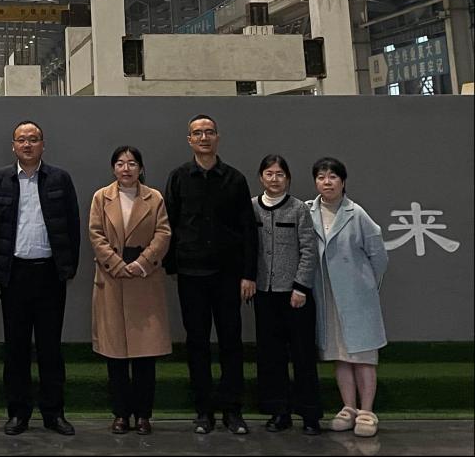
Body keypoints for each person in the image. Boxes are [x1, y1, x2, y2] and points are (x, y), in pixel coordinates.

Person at [163, 114, 258, 435]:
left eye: (209, 132)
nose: (204, 138)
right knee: (197, 343)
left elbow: (248, 230)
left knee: (231, 342)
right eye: (197, 133)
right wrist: (173, 267)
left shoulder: (235, 179)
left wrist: (248, 274)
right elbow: (169, 224)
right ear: (189, 140)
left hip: (228, 275)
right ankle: (203, 410)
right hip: (191, 274)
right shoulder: (178, 178)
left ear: (218, 137)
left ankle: (233, 410)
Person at [0, 120, 81, 436]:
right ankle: (18, 413)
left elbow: (72, 225)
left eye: (33, 139)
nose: (27, 144)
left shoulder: (59, 178)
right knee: (16, 348)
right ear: (13, 146)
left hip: (50, 274)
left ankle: (54, 413)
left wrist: (67, 268)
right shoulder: (1, 180)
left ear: (43, 144)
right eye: (21, 139)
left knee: (50, 348)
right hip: (14, 275)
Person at [88, 146, 172, 436]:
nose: (126, 169)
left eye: (132, 163)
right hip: (112, 282)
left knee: (145, 356)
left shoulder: (154, 198)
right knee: (116, 357)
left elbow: (163, 234)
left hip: (144, 281)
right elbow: (96, 234)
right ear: (113, 168)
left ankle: (144, 415)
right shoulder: (101, 197)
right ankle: (121, 414)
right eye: (121, 163)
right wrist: (115, 264)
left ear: (141, 168)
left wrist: (141, 264)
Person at [308, 157, 388, 438]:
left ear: (343, 182)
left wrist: (365, 287)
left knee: (363, 355)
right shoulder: (308, 211)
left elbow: (379, 256)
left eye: (333, 177)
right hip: (326, 295)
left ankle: (367, 411)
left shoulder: (357, 214)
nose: (327, 182)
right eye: (321, 177)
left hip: (357, 297)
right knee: (339, 354)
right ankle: (348, 408)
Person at [251, 155, 321, 435]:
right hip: (264, 294)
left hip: (295, 295)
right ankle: (279, 412)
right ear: (261, 177)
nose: (274, 179)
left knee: (303, 356)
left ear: (288, 178)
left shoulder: (299, 209)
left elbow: (309, 250)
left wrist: (300, 286)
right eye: (269, 174)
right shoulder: (251, 207)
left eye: (280, 174)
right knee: (271, 357)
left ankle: (310, 415)